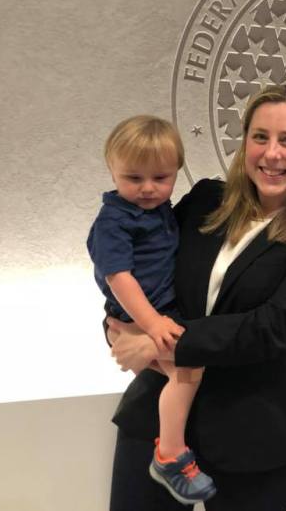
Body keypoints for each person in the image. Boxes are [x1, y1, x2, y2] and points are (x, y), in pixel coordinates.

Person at [105, 85, 286, 511]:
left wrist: (162, 341)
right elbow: (145, 266)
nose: (271, 153)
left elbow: (278, 326)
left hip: (251, 435)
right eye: (260, 137)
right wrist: (120, 330)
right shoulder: (204, 199)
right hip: (154, 424)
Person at [87, 115, 215, 504]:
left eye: (161, 178)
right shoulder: (115, 221)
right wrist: (151, 323)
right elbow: (118, 278)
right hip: (141, 315)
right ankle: (170, 454)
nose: (147, 189)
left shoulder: (160, 211)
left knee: (185, 371)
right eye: (134, 178)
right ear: (112, 170)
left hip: (159, 313)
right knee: (188, 368)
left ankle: (171, 451)